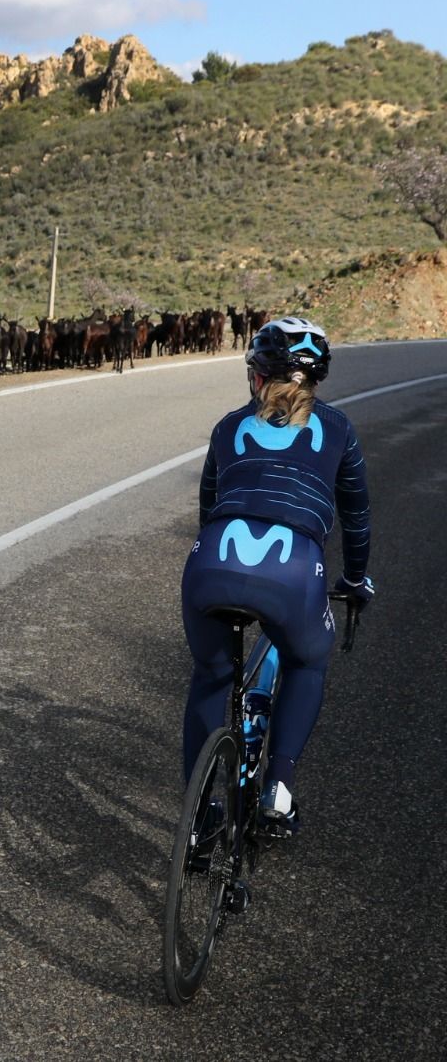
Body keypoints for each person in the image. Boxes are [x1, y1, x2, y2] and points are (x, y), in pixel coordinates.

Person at [180, 317, 375, 829]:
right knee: (307, 664)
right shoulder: (338, 428)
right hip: (293, 569)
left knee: (211, 677)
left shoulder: (228, 426)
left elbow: (208, 507)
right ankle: (279, 788)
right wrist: (355, 580)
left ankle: (199, 823)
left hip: (213, 557)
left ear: (258, 377)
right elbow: (356, 517)